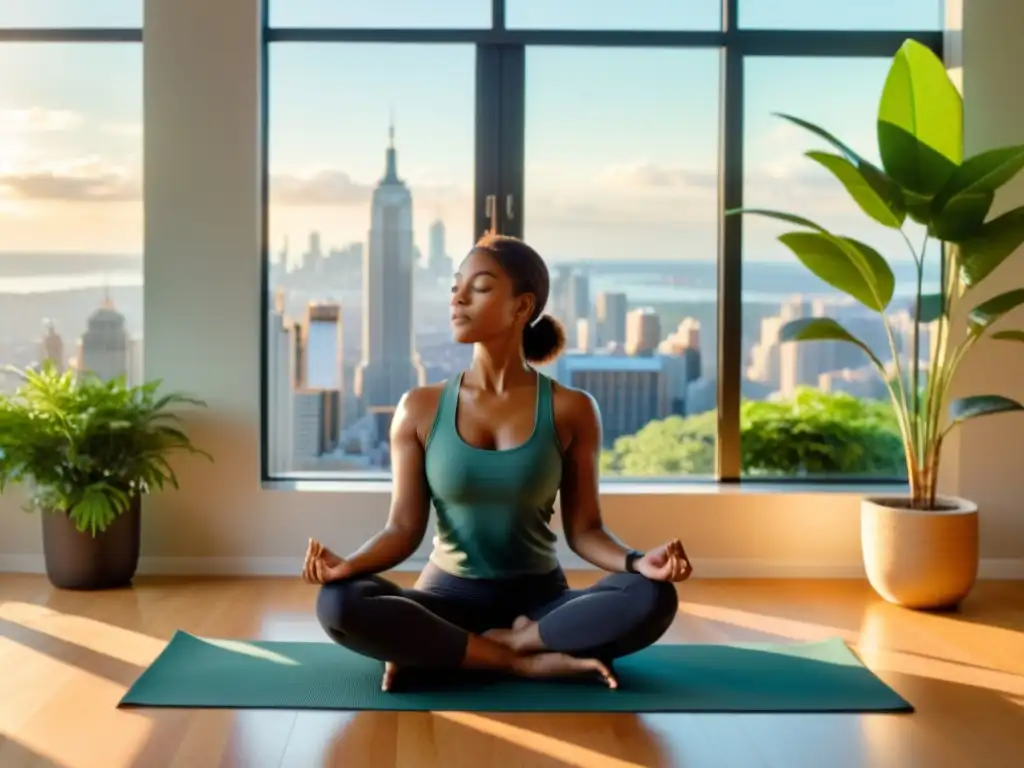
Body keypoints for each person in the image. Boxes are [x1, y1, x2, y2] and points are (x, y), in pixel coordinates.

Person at [303, 232, 692, 691]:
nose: (458, 297)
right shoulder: (420, 407)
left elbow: (585, 531)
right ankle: (518, 660)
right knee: (340, 604)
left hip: (542, 606)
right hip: (443, 600)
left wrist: (635, 561)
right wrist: (349, 566)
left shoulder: (572, 408)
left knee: (651, 597)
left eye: (480, 287)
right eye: (455, 286)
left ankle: (467, 649)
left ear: (522, 307)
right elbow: (402, 529)